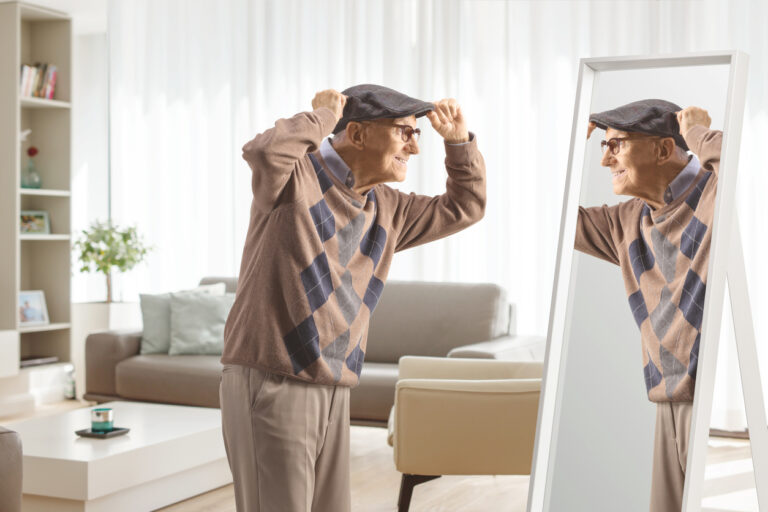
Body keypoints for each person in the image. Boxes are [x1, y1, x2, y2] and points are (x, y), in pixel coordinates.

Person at [219, 84, 486, 512]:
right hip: (272, 378)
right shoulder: (294, 177)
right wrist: (323, 118)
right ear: (358, 135)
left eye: (416, 135)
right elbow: (265, 152)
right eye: (405, 132)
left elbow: (466, 206)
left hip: (334, 385)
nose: (414, 148)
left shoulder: (389, 208)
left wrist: (458, 144)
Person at [579, 99, 721, 512]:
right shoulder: (625, 222)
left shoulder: (717, 192)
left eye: (616, 144)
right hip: (667, 394)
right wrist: (566, 144)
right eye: (602, 147)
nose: (605, 159)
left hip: (715, 395)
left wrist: (696, 135)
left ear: (662, 150)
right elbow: (553, 217)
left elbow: (751, 174)